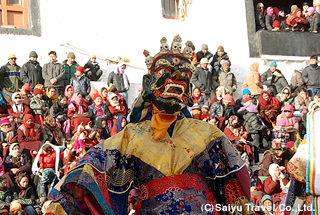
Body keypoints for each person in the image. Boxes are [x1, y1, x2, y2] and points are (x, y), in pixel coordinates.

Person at [46, 36, 252, 214]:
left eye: (185, 76)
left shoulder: (208, 134)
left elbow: (233, 191)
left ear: (190, 91)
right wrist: (80, 184)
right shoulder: (131, 137)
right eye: (165, 72)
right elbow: (93, 168)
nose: (176, 79)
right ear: (147, 84)